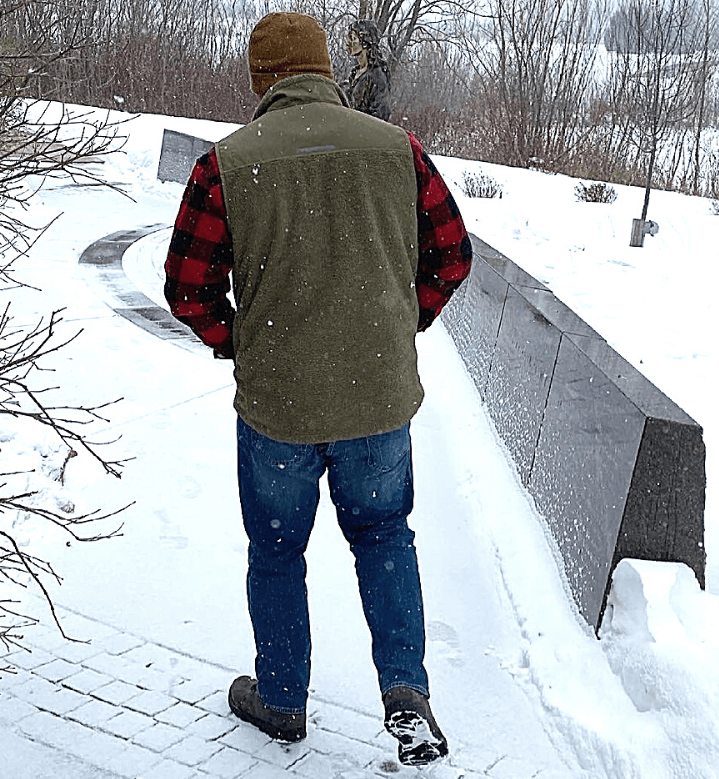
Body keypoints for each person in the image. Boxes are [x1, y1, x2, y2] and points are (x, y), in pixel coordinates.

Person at [163, 11, 472, 767]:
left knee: (275, 552)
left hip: (279, 408)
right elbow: (453, 255)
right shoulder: (397, 151)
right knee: (383, 536)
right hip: (378, 398)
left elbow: (187, 289)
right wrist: (402, 324)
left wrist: (240, 343)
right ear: (325, 70)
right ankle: (406, 692)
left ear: (260, 79)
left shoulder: (226, 165)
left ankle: (281, 700)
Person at [341, 19, 392, 122]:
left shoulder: (377, 76)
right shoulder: (355, 73)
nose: (348, 43)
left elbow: (381, 115)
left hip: (364, 134)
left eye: (352, 38)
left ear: (364, 41)